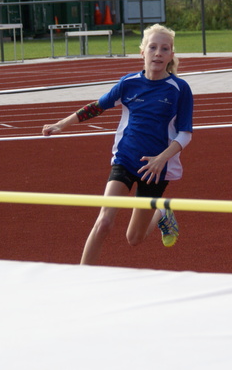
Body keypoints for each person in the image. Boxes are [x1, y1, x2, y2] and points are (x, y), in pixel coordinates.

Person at [42, 24, 194, 265]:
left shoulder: (180, 89)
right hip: (125, 159)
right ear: (142, 52)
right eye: (152, 47)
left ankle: (162, 212)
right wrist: (63, 123)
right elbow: (98, 106)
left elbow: (185, 134)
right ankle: (80, 278)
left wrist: (161, 158)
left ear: (171, 55)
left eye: (164, 49)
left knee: (134, 238)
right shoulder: (129, 83)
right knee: (103, 222)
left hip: (155, 169)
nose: (158, 53)